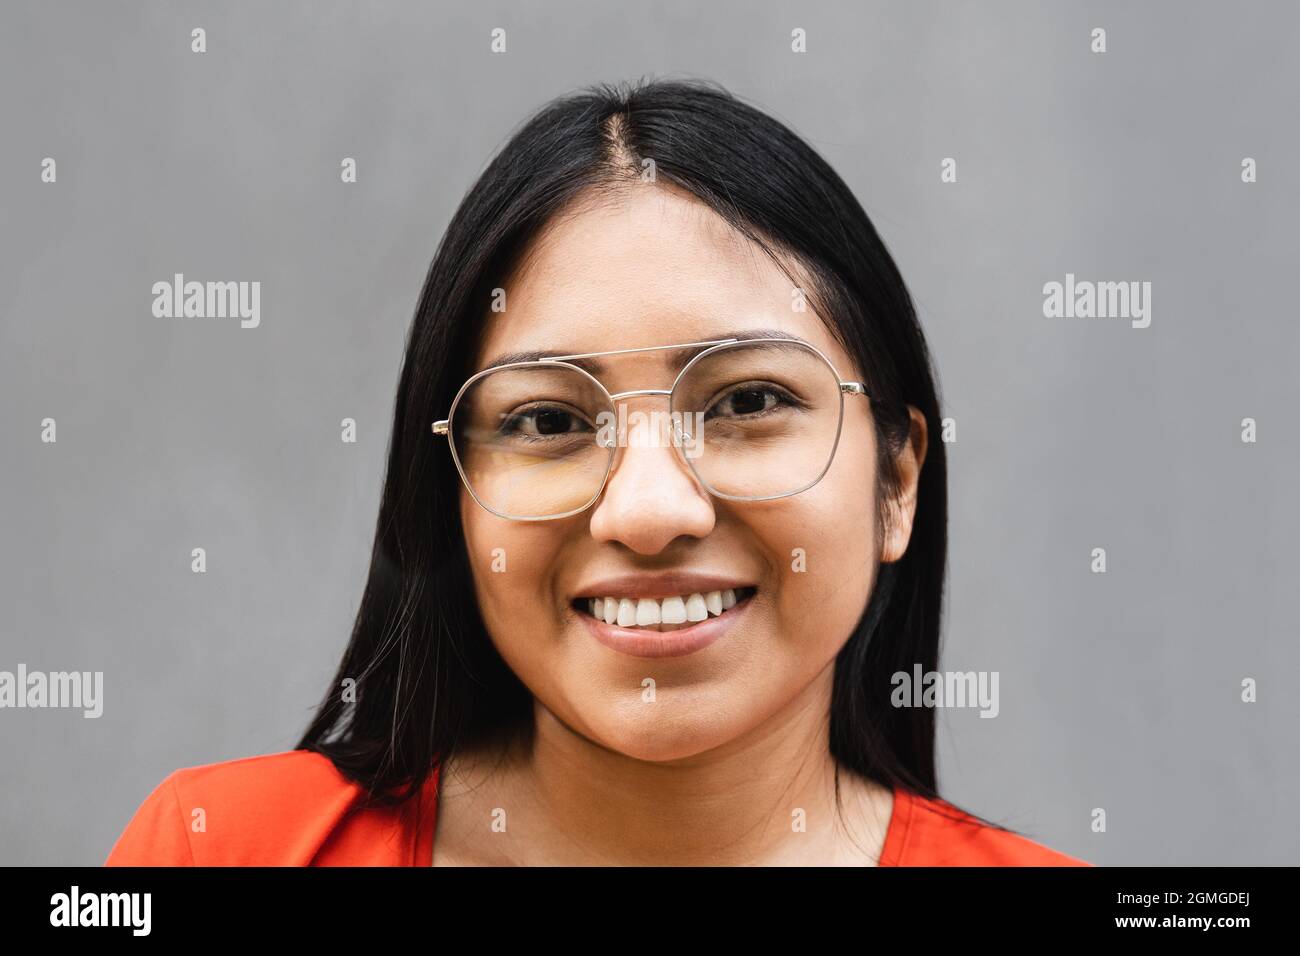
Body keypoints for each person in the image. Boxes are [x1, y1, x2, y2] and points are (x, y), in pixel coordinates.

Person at [106, 78, 1089, 867]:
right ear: (450, 497)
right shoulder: (214, 851)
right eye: (546, 419)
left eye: (747, 401)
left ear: (895, 481)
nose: (651, 508)